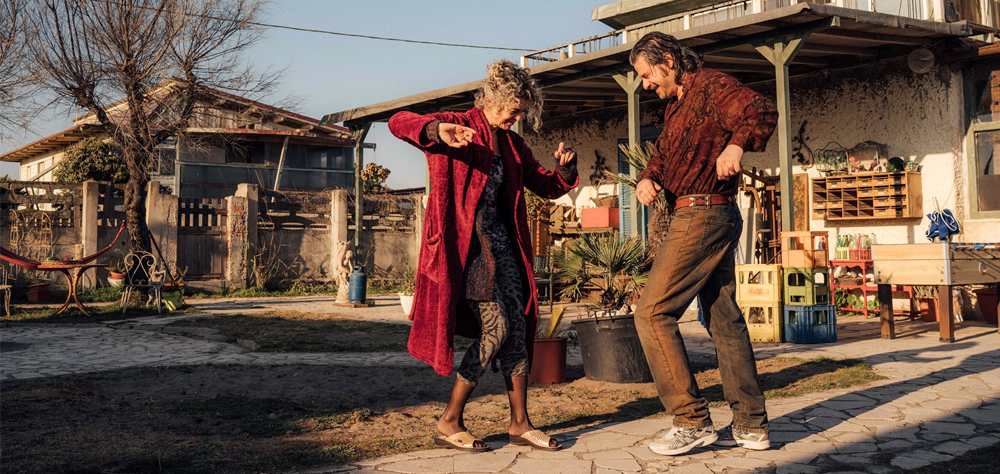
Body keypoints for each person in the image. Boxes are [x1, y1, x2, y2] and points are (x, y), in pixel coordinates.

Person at [388, 59, 578, 452]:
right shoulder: (456, 122)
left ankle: (520, 423)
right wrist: (436, 130)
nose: (517, 116)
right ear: (492, 98)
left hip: (505, 250)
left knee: (519, 331)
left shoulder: (513, 144)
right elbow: (398, 121)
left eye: (523, 111)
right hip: (466, 251)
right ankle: (450, 418)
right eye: (514, 109)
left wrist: (566, 170)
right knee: (497, 329)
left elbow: (547, 185)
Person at [628, 31, 778, 456]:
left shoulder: (711, 85)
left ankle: (690, 421)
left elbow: (760, 110)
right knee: (723, 319)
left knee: (652, 313)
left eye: (646, 74)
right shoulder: (676, 108)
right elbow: (661, 154)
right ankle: (751, 425)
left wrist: (735, 144)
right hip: (702, 212)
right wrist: (648, 177)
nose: (645, 84)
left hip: (702, 214)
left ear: (669, 62)